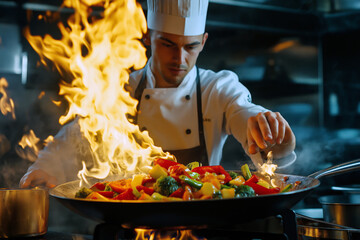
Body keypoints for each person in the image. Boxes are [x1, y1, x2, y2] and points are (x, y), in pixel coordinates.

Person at [20, 0, 296, 188]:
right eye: (167, 44)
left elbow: (243, 111)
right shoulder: (120, 89)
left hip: (199, 221)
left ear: (203, 42)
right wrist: (41, 171)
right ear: (149, 36)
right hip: (132, 222)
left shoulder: (217, 88)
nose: (180, 58)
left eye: (190, 47)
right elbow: (71, 139)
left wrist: (267, 132)